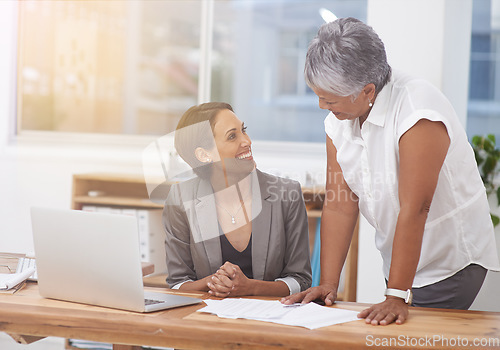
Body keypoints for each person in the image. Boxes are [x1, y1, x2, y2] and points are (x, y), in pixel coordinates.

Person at [282, 17, 500, 325]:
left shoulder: (418, 110)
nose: (321, 105)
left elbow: (416, 208)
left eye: (329, 98)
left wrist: (397, 293)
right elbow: (340, 204)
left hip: (453, 266)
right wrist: (329, 285)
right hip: (402, 269)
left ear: (367, 91)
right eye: (318, 95)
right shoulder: (339, 119)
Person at [163, 102, 312, 297]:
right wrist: (212, 281)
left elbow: (300, 280)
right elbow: (177, 283)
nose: (247, 141)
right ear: (204, 154)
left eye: (244, 130)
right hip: (208, 318)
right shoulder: (180, 200)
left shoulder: (286, 194)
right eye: (232, 136)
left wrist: (251, 288)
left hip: (271, 318)